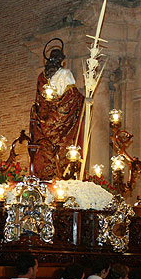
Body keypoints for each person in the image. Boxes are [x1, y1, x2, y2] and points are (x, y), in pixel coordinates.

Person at [30, 38, 85, 179]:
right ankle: (60, 173)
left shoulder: (41, 77)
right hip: (60, 121)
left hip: (43, 123)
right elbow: (71, 97)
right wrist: (84, 100)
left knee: (42, 150)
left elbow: (38, 101)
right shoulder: (65, 73)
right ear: (61, 61)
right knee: (59, 151)